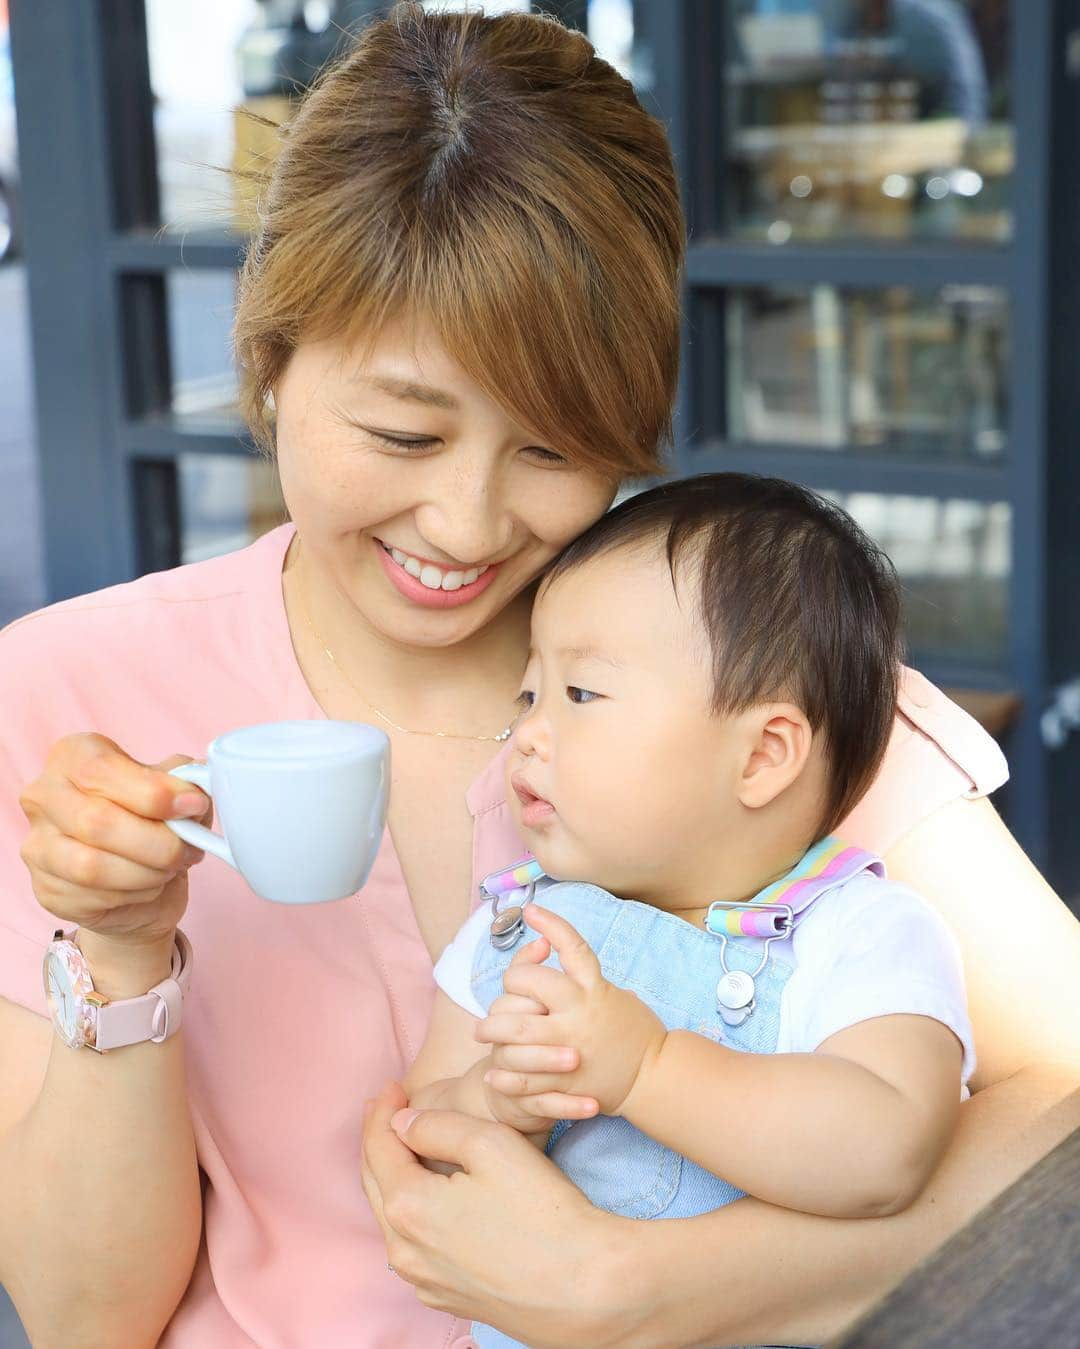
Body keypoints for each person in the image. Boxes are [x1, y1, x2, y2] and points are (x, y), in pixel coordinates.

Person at [0, 5, 1076, 1348]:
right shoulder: (62, 699)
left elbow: (1065, 1095)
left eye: (555, 450)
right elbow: (86, 1318)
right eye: (403, 430)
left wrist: (637, 1291)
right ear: (269, 362)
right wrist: (117, 947)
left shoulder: (737, 671)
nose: (464, 524)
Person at [404, 473, 975, 1349]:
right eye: (529, 694)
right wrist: (499, 1101)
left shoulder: (861, 934)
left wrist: (649, 1070)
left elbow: (887, 1148)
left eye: (580, 694)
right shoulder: (513, 929)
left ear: (763, 757)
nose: (527, 731)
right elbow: (427, 1145)